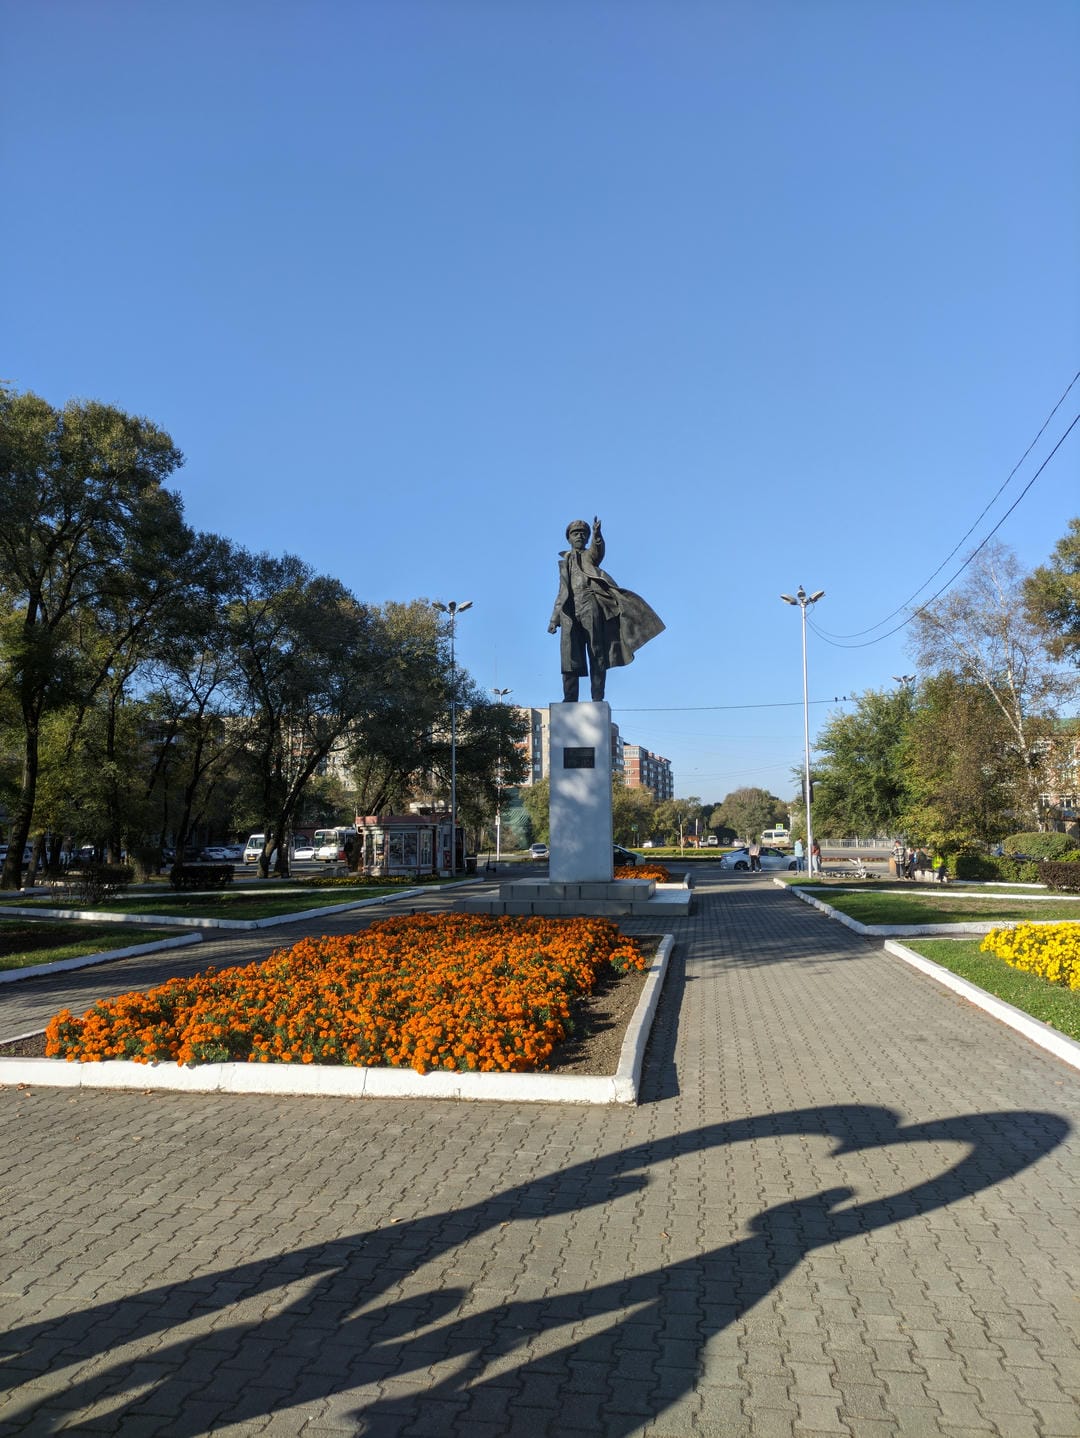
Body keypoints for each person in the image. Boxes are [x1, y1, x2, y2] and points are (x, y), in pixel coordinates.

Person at [548, 517, 664, 702]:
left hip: (590, 606)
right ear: (568, 538)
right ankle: (569, 698)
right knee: (569, 657)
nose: (579, 536)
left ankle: (597, 697)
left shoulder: (588, 556)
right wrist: (554, 619)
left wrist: (597, 535)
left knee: (596, 654)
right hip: (570, 613)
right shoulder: (565, 563)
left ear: (586, 538)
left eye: (582, 534)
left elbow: (597, 550)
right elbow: (562, 592)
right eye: (575, 533)